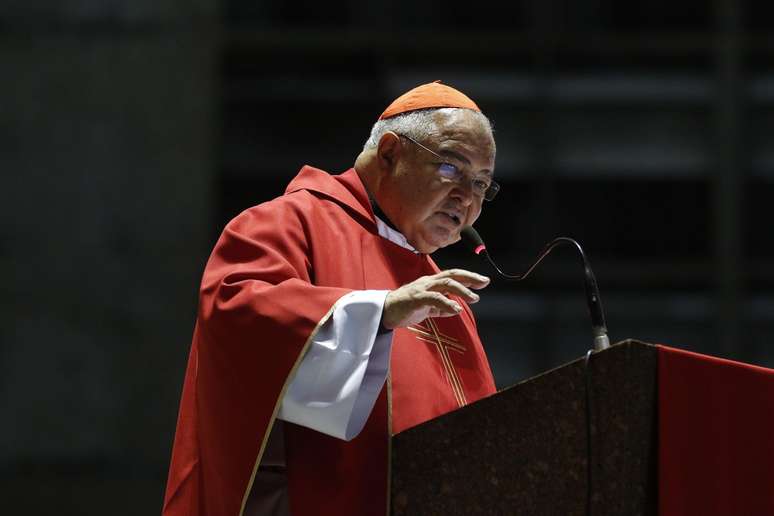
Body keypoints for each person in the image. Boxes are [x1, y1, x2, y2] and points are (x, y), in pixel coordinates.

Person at [163, 82, 500, 516]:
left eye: (481, 183)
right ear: (390, 153)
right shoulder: (290, 223)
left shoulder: (442, 291)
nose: (467, 198)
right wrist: (377, 313)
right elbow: (237, 311)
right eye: (452, 168)